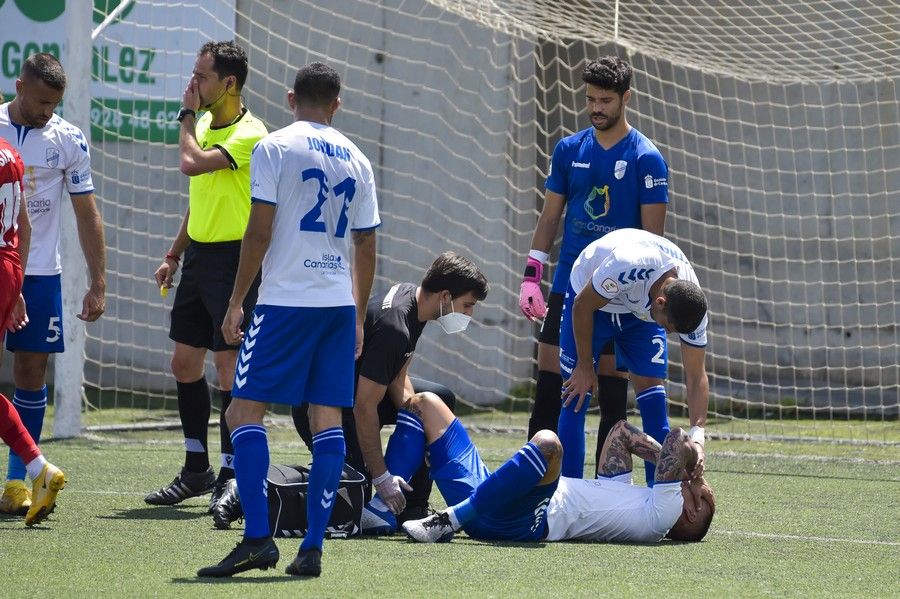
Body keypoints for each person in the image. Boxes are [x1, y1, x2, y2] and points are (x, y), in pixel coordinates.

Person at [197, 62, 380, 579]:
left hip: (284, 303)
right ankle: (313, 548)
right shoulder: (360, 160)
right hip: (338, 307)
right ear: (337, 104)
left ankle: (258, 538)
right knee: (326, 420)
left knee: (242, 413)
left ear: (290, 97)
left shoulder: (273, 147)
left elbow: (258, 230)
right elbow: (366, 243)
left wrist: (236, 301)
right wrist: (358, 314)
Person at [520, 56, 668, 474]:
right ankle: (537, 481)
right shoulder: (569, 149)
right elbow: (550, 217)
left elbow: (653, 241)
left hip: (618, 296)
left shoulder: (646, 158)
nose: (596, 107)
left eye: (605, 99)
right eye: (590, 99)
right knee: (553, 385)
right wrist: (532, 276)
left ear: (626, 99)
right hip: (568, 285)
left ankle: (607, 486)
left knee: (611, 392)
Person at [146, 41, 267, 510]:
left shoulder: (251, 133)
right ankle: (197, 468)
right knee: (183, 363)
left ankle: (234, 475)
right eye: (193, 76)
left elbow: (189, 163)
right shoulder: (202, 126)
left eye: (202, 77)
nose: (192, 85)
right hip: (198, 258)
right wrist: (174, 255)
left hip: (235, 263)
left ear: (229, 83)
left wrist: (184, 114)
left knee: (228, 369)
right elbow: (199, 195)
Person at [291, 251, 488, 535]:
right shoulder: (394, 328)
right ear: (445, 296)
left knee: (434, 401)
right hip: (326, 408)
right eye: (468, 305)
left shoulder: (413, 300)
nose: (469, 314)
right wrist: (382, 476)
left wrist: (424, 432)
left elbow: (398, 377)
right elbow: (363, 407)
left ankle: (413, 507)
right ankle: (248, 490)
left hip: (354, 394)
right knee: (355, 499)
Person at [366, 391, 714, 544]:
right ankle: (385, 508)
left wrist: (690, 457)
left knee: (548, 444)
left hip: (527, 520)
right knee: (424, 405)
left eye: (700, 487)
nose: (697, 480)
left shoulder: (665, 514)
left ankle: (448, 521)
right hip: (498, 499)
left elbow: (677, 438)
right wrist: (680, 463)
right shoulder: (643, 501)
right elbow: (621, 433)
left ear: (694, 508)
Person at [0, 53, 105, 515]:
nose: (47, 112)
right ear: (19, 85)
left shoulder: (68, 139)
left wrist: (98, 281)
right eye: (41, 101)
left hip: (38, 272)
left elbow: (87, 213)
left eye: (54, 104)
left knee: (29, 371)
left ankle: (16, 483)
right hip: (8, 270)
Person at [558, 227, 709, 482]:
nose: (666, 333)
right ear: (661, 303)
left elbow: (696, 376)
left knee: (653, 399)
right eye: (667, 327)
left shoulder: (691, 302)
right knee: (576, 394)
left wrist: (698, 435)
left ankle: (659, 494)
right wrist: (584, 366)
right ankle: (569, 495)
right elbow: (582, 306)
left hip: (639, 312)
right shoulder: (627, 264)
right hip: (590, 300)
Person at [0, 137, 67, 526]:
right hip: (9, 268)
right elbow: (23, 226)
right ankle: (38, 468)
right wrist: (17, 287)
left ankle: (38, 468)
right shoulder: (11, 151)